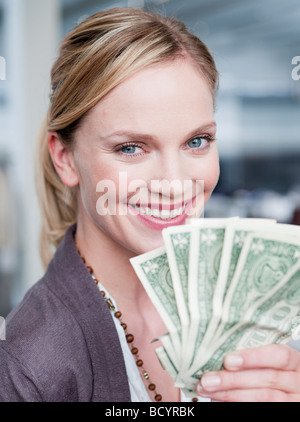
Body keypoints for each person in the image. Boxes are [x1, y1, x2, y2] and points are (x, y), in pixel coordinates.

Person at [0, 7, 299, 402]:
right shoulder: (27, 366)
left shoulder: (250, 311)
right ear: (65, 158)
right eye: (131, 148)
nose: (175, 185)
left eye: (197, 141)